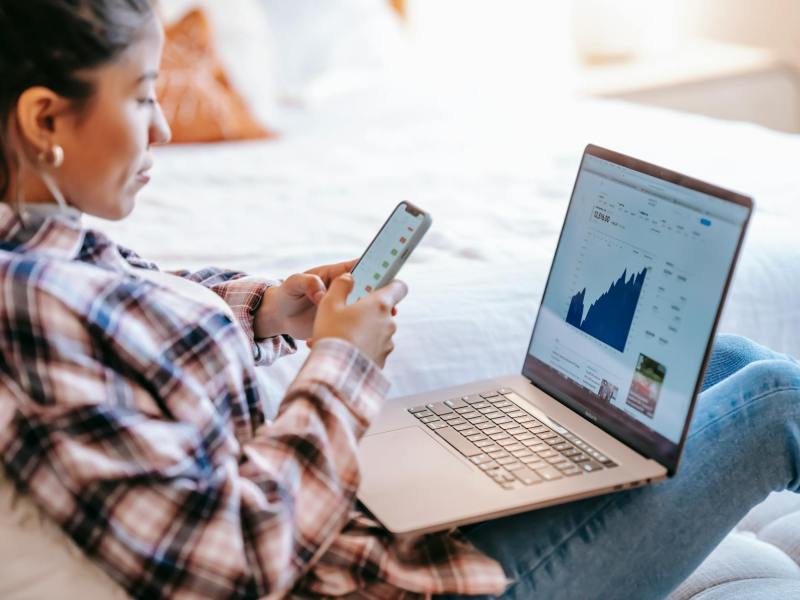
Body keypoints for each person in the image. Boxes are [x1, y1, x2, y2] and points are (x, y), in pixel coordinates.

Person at [0, 2, 798, 599]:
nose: (164, 129)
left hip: (362, 526)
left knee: (721, 361)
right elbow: (230, 561)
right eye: (143, 97)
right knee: (772, 399)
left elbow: (138, 307)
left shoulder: (46, 250)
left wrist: (271, 306)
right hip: (378, 581)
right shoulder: (31, 306)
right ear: (44, 119)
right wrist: (342, 361)